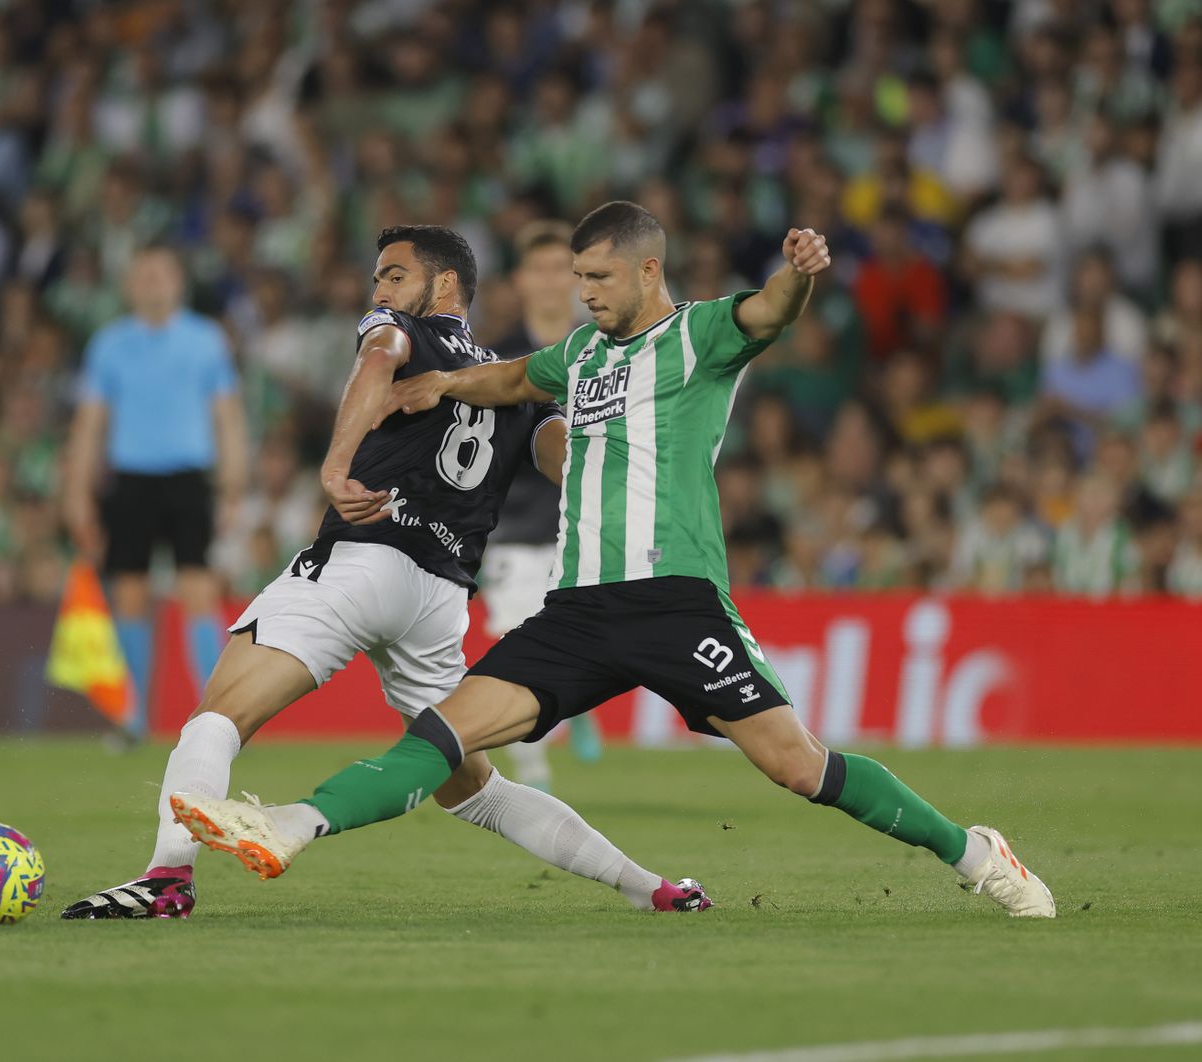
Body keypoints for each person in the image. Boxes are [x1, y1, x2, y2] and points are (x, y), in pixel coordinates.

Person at [171, 201, 1056, 919]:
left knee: (800, 767)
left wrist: (799, 272)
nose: (583, 293)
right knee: (443, 736)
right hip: (580, 611)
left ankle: (975, 853)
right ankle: (292, 823)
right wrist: (444, 383)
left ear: (646, 271)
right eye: (576, 277)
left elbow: (772, 311)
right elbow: (517, 379)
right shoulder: (582, 355)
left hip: (680, 605)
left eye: (596, 278)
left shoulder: (703, 337)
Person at [62, 225, 710, 919]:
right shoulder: (513, 385)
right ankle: (653, 888)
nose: (380, 291)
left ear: (446, 286)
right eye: (379, 279)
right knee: (475, 790)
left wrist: (335, 465)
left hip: (363, 561)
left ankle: (166, 879)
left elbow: (378, 358)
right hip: (438, 601)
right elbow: (571, 465)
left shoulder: (404, 331)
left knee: (216, 718)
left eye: (394, 275)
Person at [63, 246, 247, 738]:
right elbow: (89, 423)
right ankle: (131, 718)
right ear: (129, 285)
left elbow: (227, 416)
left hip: (189, 478)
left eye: (161, 274)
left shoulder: (207, 340)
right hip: (131, 480)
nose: (152, 283)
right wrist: (77, 493)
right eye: (143, 275)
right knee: (128, 595)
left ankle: (218, 718)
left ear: (178, 282)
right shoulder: (109, 345)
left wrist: (232, 486)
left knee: (199, 594)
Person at [482, 219, 601, 791]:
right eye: (542, 269)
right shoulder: (496, 357)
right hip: (517, 525)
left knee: (592, 631)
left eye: (564, 270)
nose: (553, 282)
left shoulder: (608, 346)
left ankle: (576, 710)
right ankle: (534, 771)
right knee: (519, 640)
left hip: (595, 518)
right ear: (521, 280)